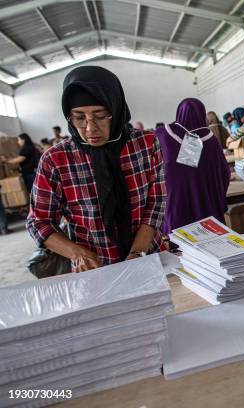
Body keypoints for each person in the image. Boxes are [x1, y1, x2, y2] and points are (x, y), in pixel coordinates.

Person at [26, 66, 166, 273]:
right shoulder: (56, 159)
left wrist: (138, 253)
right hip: (93, 271)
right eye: (79, 117)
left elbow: (156, 203)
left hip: (150, 257)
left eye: (100, 115)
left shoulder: (146, 145)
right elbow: (39, 221)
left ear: (116, 110)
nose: (90, 129)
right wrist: (76, 253)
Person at [156, 98, 230, 234]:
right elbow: (225, 173)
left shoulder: (164, 135)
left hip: (176, 204)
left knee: (177, 244)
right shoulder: (211, 140)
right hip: (207, 207)